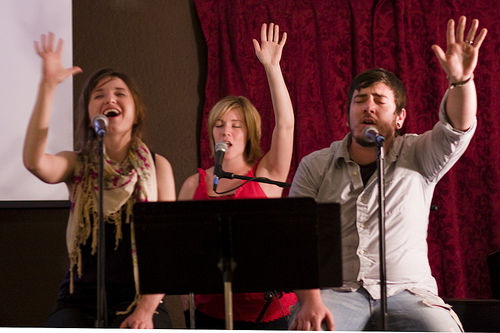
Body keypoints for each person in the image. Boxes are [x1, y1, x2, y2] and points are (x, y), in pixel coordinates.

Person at [287, 16, 487, 331]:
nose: (368, 107)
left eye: (379, 101)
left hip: (408, 290)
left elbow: (457, 128)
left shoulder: (420, 154)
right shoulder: (315, 165)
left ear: (399, 117)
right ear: (349, 111)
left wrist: (461, 80)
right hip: (339, 291)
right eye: (360, 100)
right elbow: (295, 240)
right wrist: (310, 299)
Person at [23, 33, 176, 328]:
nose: (110, 99)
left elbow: (164, 247)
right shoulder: (76, 163)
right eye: (99, 95)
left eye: (120, 93)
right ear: (90, 113)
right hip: (79, 300)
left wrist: (145, 311)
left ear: (136, 111)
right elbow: (34, 162)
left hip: (141, 300)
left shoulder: (159, 166)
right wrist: (48, 86)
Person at [178, 22, 295, 329]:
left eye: (236, 125)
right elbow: (182, 252)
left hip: (270, 313)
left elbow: (285, 126)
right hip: (212, 313)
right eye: (219, 124)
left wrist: (272, 68)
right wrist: (187, 307)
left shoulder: (267, 172)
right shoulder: (194, 184)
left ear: (250, 133)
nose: (226, 131)